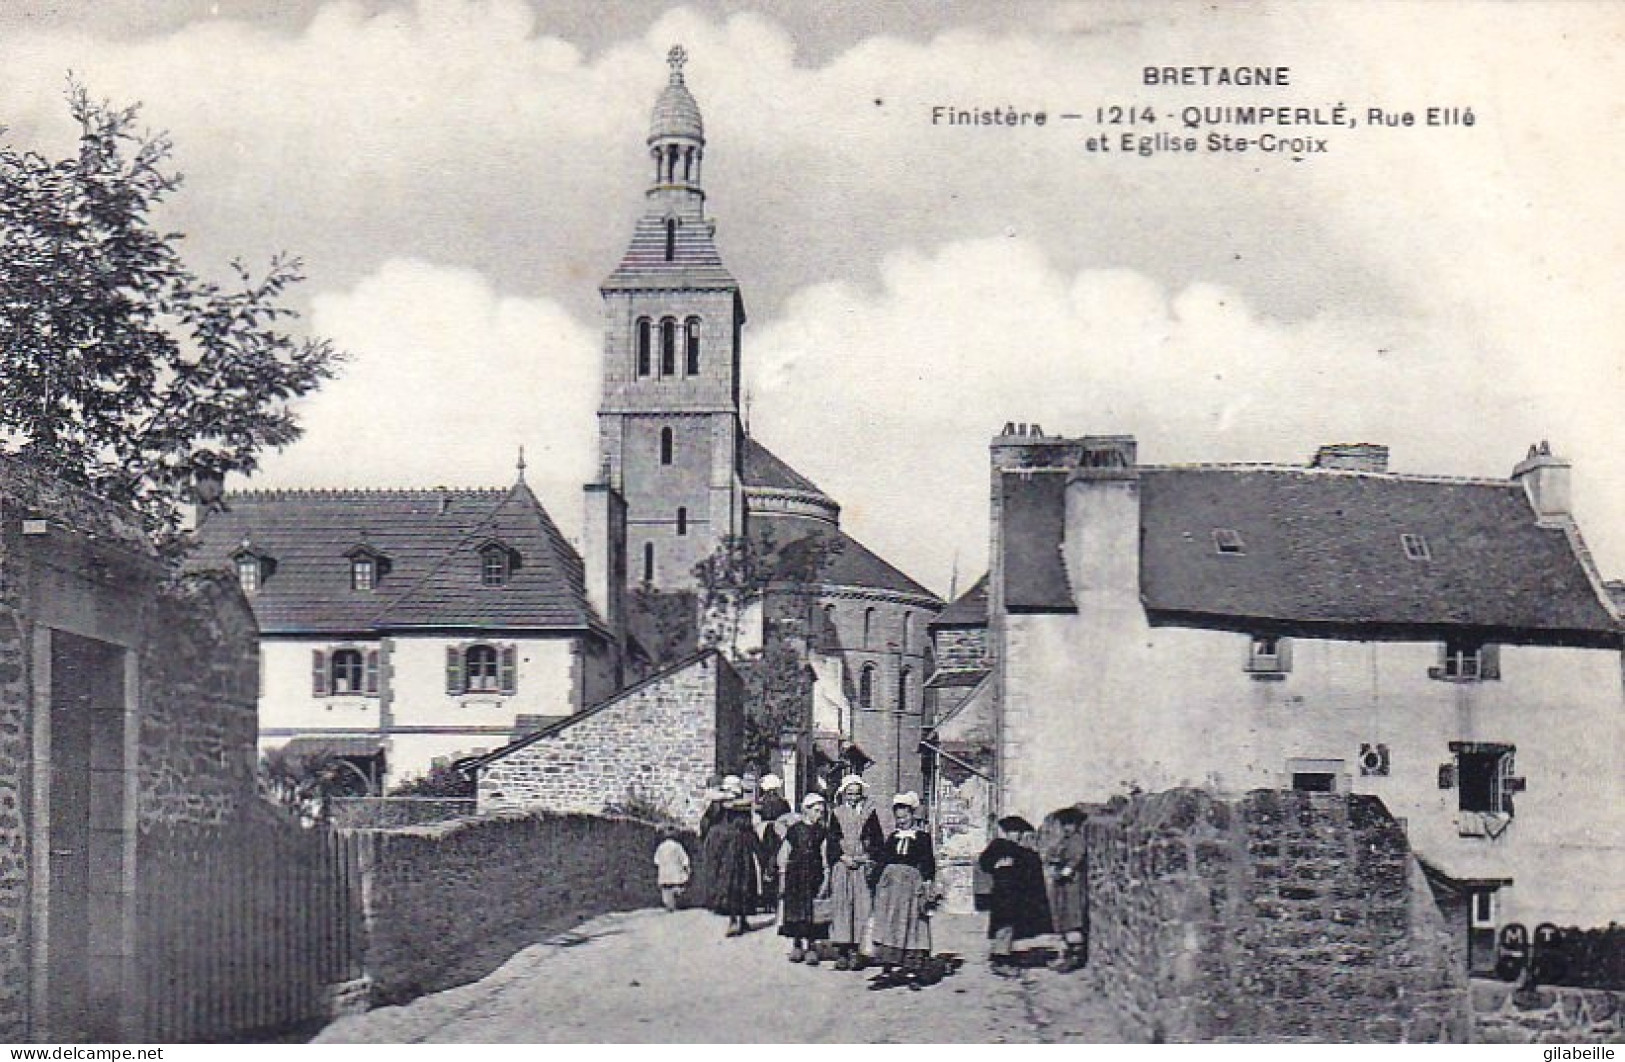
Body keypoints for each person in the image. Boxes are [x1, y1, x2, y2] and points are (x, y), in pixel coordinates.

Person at [868, 791, 937, 990]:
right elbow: (883, 860)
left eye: (905, 817)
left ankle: (914, 971)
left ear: (912, 815)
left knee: (913, 926)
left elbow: (928, 862)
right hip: (891, 889)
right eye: (898, 818)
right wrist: (875, 881)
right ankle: (888, 969)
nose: (901, 821)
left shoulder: (922, 838)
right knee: (890, 925)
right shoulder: (892, 838)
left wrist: (928, 883)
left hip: (911, 887)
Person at [978, 815, 1054, 975]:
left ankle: (1003, 956)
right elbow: (984, 862)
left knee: (1008, 925)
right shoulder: (999, 846)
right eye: (1014, 832)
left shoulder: (1021, 852)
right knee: (1004, 925)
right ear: (1007, 832)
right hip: (1002, 893)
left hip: (1013, 894)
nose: (1017, 835)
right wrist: (995, 866)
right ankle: (1000, 960)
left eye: (1019, 832)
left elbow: (1028, 868)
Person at [827, 774, 884, 971]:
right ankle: (842, 951)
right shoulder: (836, 813)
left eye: (856, 794)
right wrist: (844, 858)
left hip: (861, 867)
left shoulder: (870, 813)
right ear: (844, 795)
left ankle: (857, 951)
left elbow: (877, 841)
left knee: (861, 908)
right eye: (849, 794)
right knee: (843, 907)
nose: (853, 798)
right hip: (843, 866)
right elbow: (832, 842)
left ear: (861, 795)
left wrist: (865, 858)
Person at [778, 792, 836, 963]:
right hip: (795, 875)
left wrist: (826, 876)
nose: (819, 815)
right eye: (816, 811)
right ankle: (797, 946)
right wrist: (782, 874)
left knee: (812, 912)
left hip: (814, 875)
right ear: (806, 810)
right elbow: (784, 853)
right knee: (796, 911)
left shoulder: (822, 832)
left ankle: (811, 947)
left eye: (822, 812)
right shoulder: (794, 830)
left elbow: (825, 855)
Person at [707, 776, 761, 937]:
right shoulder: (720, 807)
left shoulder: (738, 809)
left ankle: (740, 919)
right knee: (733, 884)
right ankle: (735, 919)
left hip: (737, 849)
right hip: (732, 850)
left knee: (741, 884)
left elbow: (748, 828)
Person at [1045, 807, 1089, 972]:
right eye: (1064, 824)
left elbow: (1076, 859)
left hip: (1072, 886)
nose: (1066, 827)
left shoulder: (1077, 840)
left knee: (1073, 919)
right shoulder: (1063, 840)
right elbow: (1050, 855)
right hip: (1061, 887)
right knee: (1061, 919)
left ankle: (1074, 958)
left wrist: (1065, 870)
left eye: (1069, 824)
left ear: (1076, 825)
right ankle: (1063, 955)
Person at [756, 773, 792, 914]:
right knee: (777, 861)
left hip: (763, 831)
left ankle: (766, 898)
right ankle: (775, 898)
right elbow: (787, 817)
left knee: (764, 862)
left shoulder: (761, 802)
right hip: (779, 831)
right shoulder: (783, 802)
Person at [653, 829, 691, 912]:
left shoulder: (661, 847)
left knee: (666, 888)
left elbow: (656, 860)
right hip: (674, 870)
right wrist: (686, 867)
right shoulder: (677, 846)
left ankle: (669, 905)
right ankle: (673, 902)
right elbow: (684, 858)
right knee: (675, 886)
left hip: (664, 871)